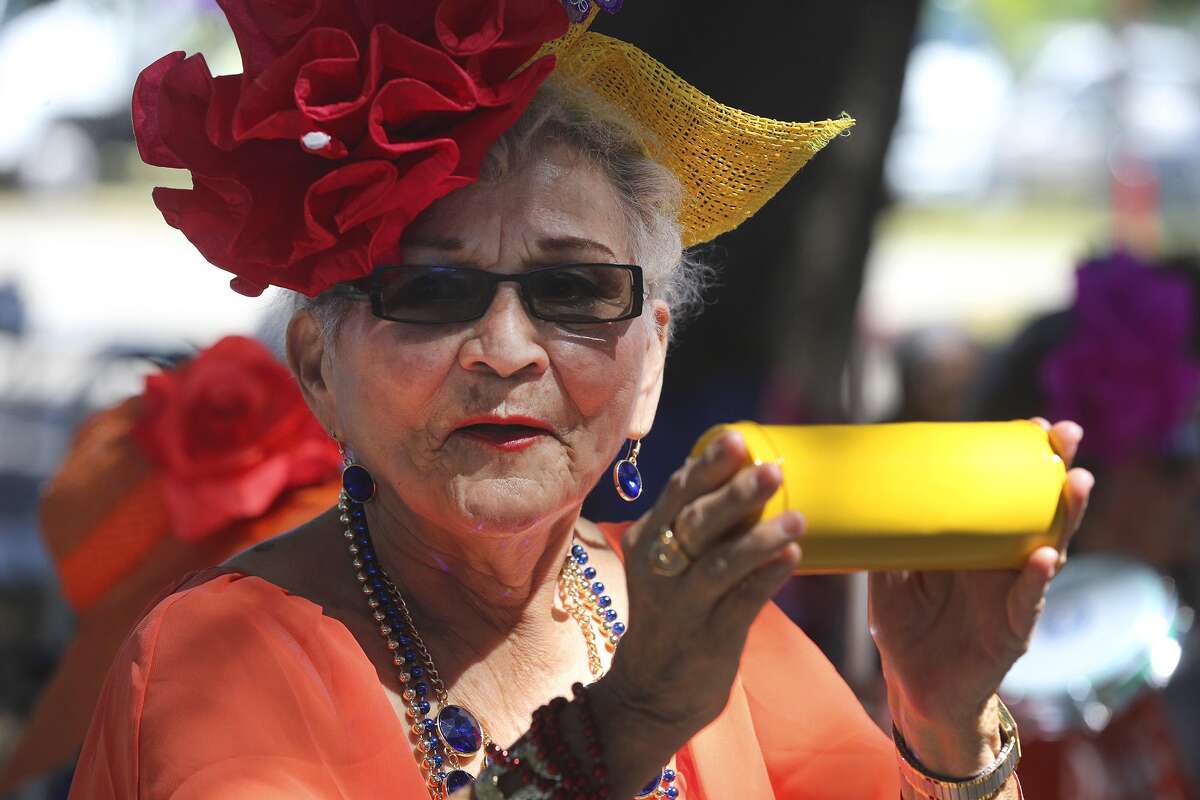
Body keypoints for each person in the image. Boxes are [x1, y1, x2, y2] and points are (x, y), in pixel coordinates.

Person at [69, 2, 1092, 798]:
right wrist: (622, 724)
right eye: (430, 290)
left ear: (650, 364)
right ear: (319, 368)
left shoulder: (691, 610)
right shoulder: (220, 659)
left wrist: (942, 720)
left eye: (573, 293)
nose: (506, 350)